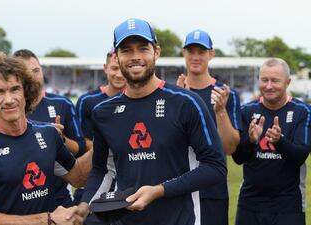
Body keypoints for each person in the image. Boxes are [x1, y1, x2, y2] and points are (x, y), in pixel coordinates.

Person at [76, 18, 227, 225]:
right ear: (116, 57)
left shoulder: (186, 102)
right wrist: (84, 207)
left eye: (143, 48)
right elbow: (103, 170)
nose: (135, 57)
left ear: (156, 52)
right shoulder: (104, 112)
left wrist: (159, 191)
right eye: (126, 50)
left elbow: (215, 166)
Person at [0, 52, 90, 225]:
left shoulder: (48, 134)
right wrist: (48, 219)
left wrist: (105, 137)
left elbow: (78, 177)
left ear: (26, 92)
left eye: (15, 89)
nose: (9, 100)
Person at [232, 58, 311, 225]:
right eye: (264, 80)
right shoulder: (247, 110)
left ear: (287, 82)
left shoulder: (302, 111)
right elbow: (238, 158)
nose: (268, 86)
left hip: (288, 205)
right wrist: (252, 141)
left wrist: (279, 141)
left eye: (275, 80)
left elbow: (300, 155)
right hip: (249, 203)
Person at [177, 29, 242, 225]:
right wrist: (181, 102)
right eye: (191, 51)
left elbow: (229, 148)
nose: (195, 57)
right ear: (184, 53)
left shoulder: (225, 94)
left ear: (211, 54)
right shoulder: (172, 93)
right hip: (179, 187)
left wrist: (220, 111)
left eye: (201, 51)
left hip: (212, 189)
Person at [13, 49, 87, 208]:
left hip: (60, 201)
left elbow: (81, 148)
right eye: (26, 72)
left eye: (36, 70)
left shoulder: (62, 104)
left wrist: (61, 140)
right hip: (22, 203)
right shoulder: (10, 109)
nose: (33, 76)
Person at [74, 47, 126, 224]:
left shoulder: (139, 101)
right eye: (114, 68)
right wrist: (112, 146)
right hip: (97, 179)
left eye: (122, 68)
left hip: (128, 184)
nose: (119, 74)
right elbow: (83, 142)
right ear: (105, 68)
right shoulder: (88, 101)